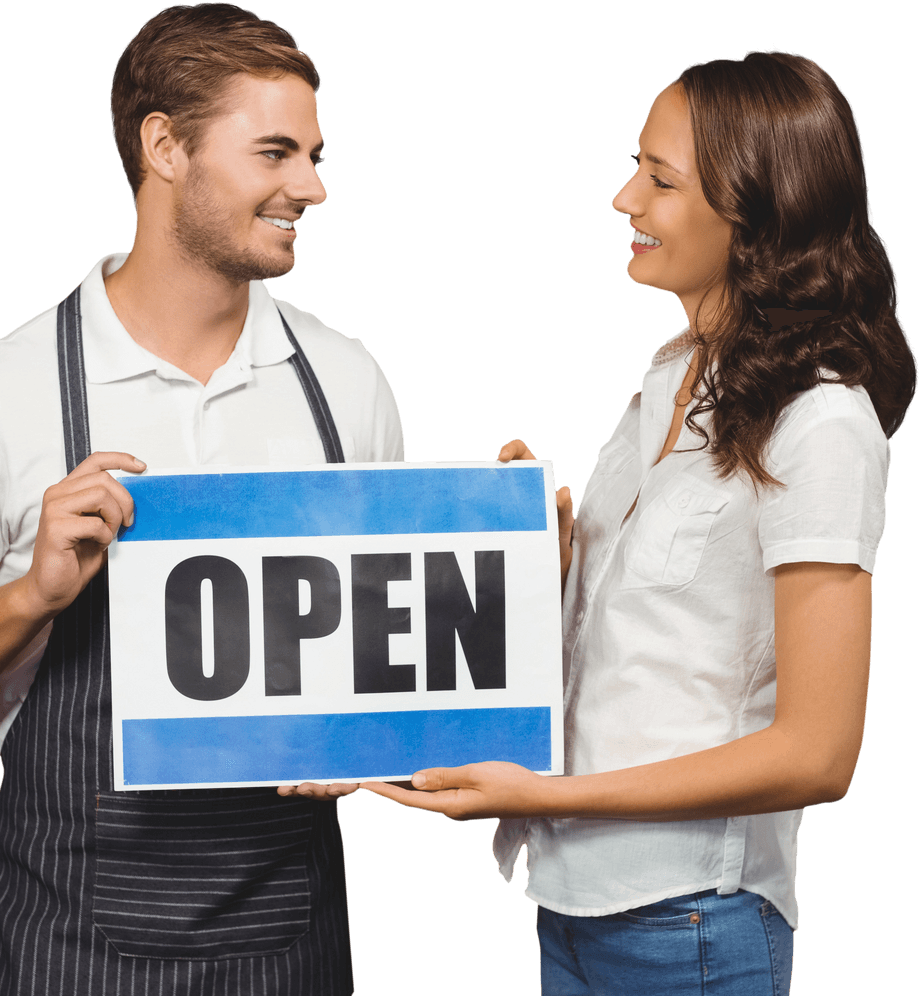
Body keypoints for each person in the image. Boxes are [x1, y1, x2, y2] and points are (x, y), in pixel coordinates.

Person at [0, 3, 402, 994]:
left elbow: (384, 672)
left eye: (314, 154)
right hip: (63, 949)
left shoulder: (345, 384)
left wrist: (513, 580)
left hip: (290, 946)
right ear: (164, 147)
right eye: (275, 152)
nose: (311, 186)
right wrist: (30, 597)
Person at [363, 50, 916, 995]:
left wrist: (553, 796)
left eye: (660, 182)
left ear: (755, 214)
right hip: (571, 904)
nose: (625, 199)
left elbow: (819, 754)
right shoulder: (671, 371)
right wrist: (557, 562)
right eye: (638, 168)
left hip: (694, 921)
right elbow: (651, 644)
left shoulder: (824, 422)